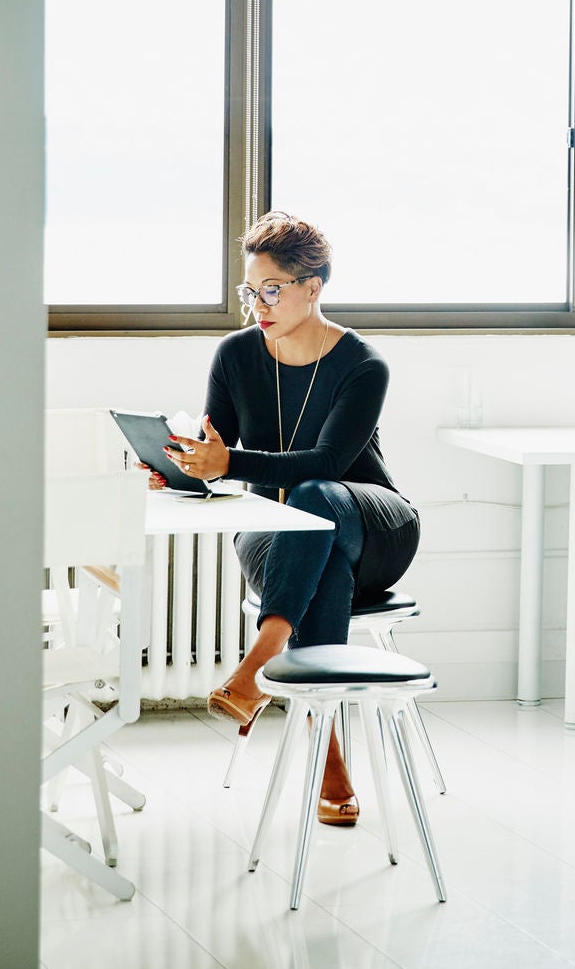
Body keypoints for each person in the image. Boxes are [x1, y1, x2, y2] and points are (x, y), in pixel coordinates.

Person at [148, 211, 421, 827]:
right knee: (311, 548)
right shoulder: (236, 355)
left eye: (271, 289)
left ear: (312, 287)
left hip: (372, 527)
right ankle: (329, 759)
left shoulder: (362, 364)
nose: (257, 305)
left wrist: (224, 463)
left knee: (318, 496)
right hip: (279, 535)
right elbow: (219, 455)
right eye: (251, 291)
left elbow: (327, 461)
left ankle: (259, 661)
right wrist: (178, 466)